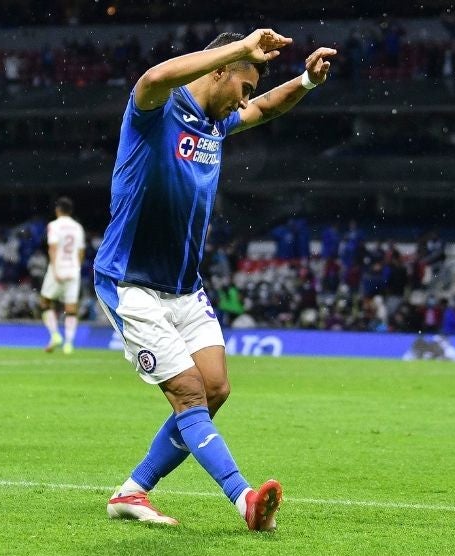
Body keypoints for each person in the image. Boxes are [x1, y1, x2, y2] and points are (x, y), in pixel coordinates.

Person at [93, 29, 336, 530]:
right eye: (243, 86)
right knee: (187, 392)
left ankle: (132, 492)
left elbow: (266, 109)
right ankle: (245, 499)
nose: (245, 99)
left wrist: (307, 83)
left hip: (183, 286)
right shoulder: (156, 110)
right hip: (131, 281)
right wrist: (240, 49)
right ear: (218, 69)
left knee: (215, 388)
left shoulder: (214, 124)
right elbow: (152, 76)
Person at [40, 197, 86, 354]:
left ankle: (54, 335)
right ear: (71, 211)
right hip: (73, 270)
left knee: (45, 302)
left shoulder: (53, 225)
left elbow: (52, 248)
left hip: (58, 268)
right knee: (71, 307)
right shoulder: (78, 227)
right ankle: (68, 344)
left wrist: (55, 268)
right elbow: (80, 251)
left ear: (57, 210)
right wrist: (76, 267)